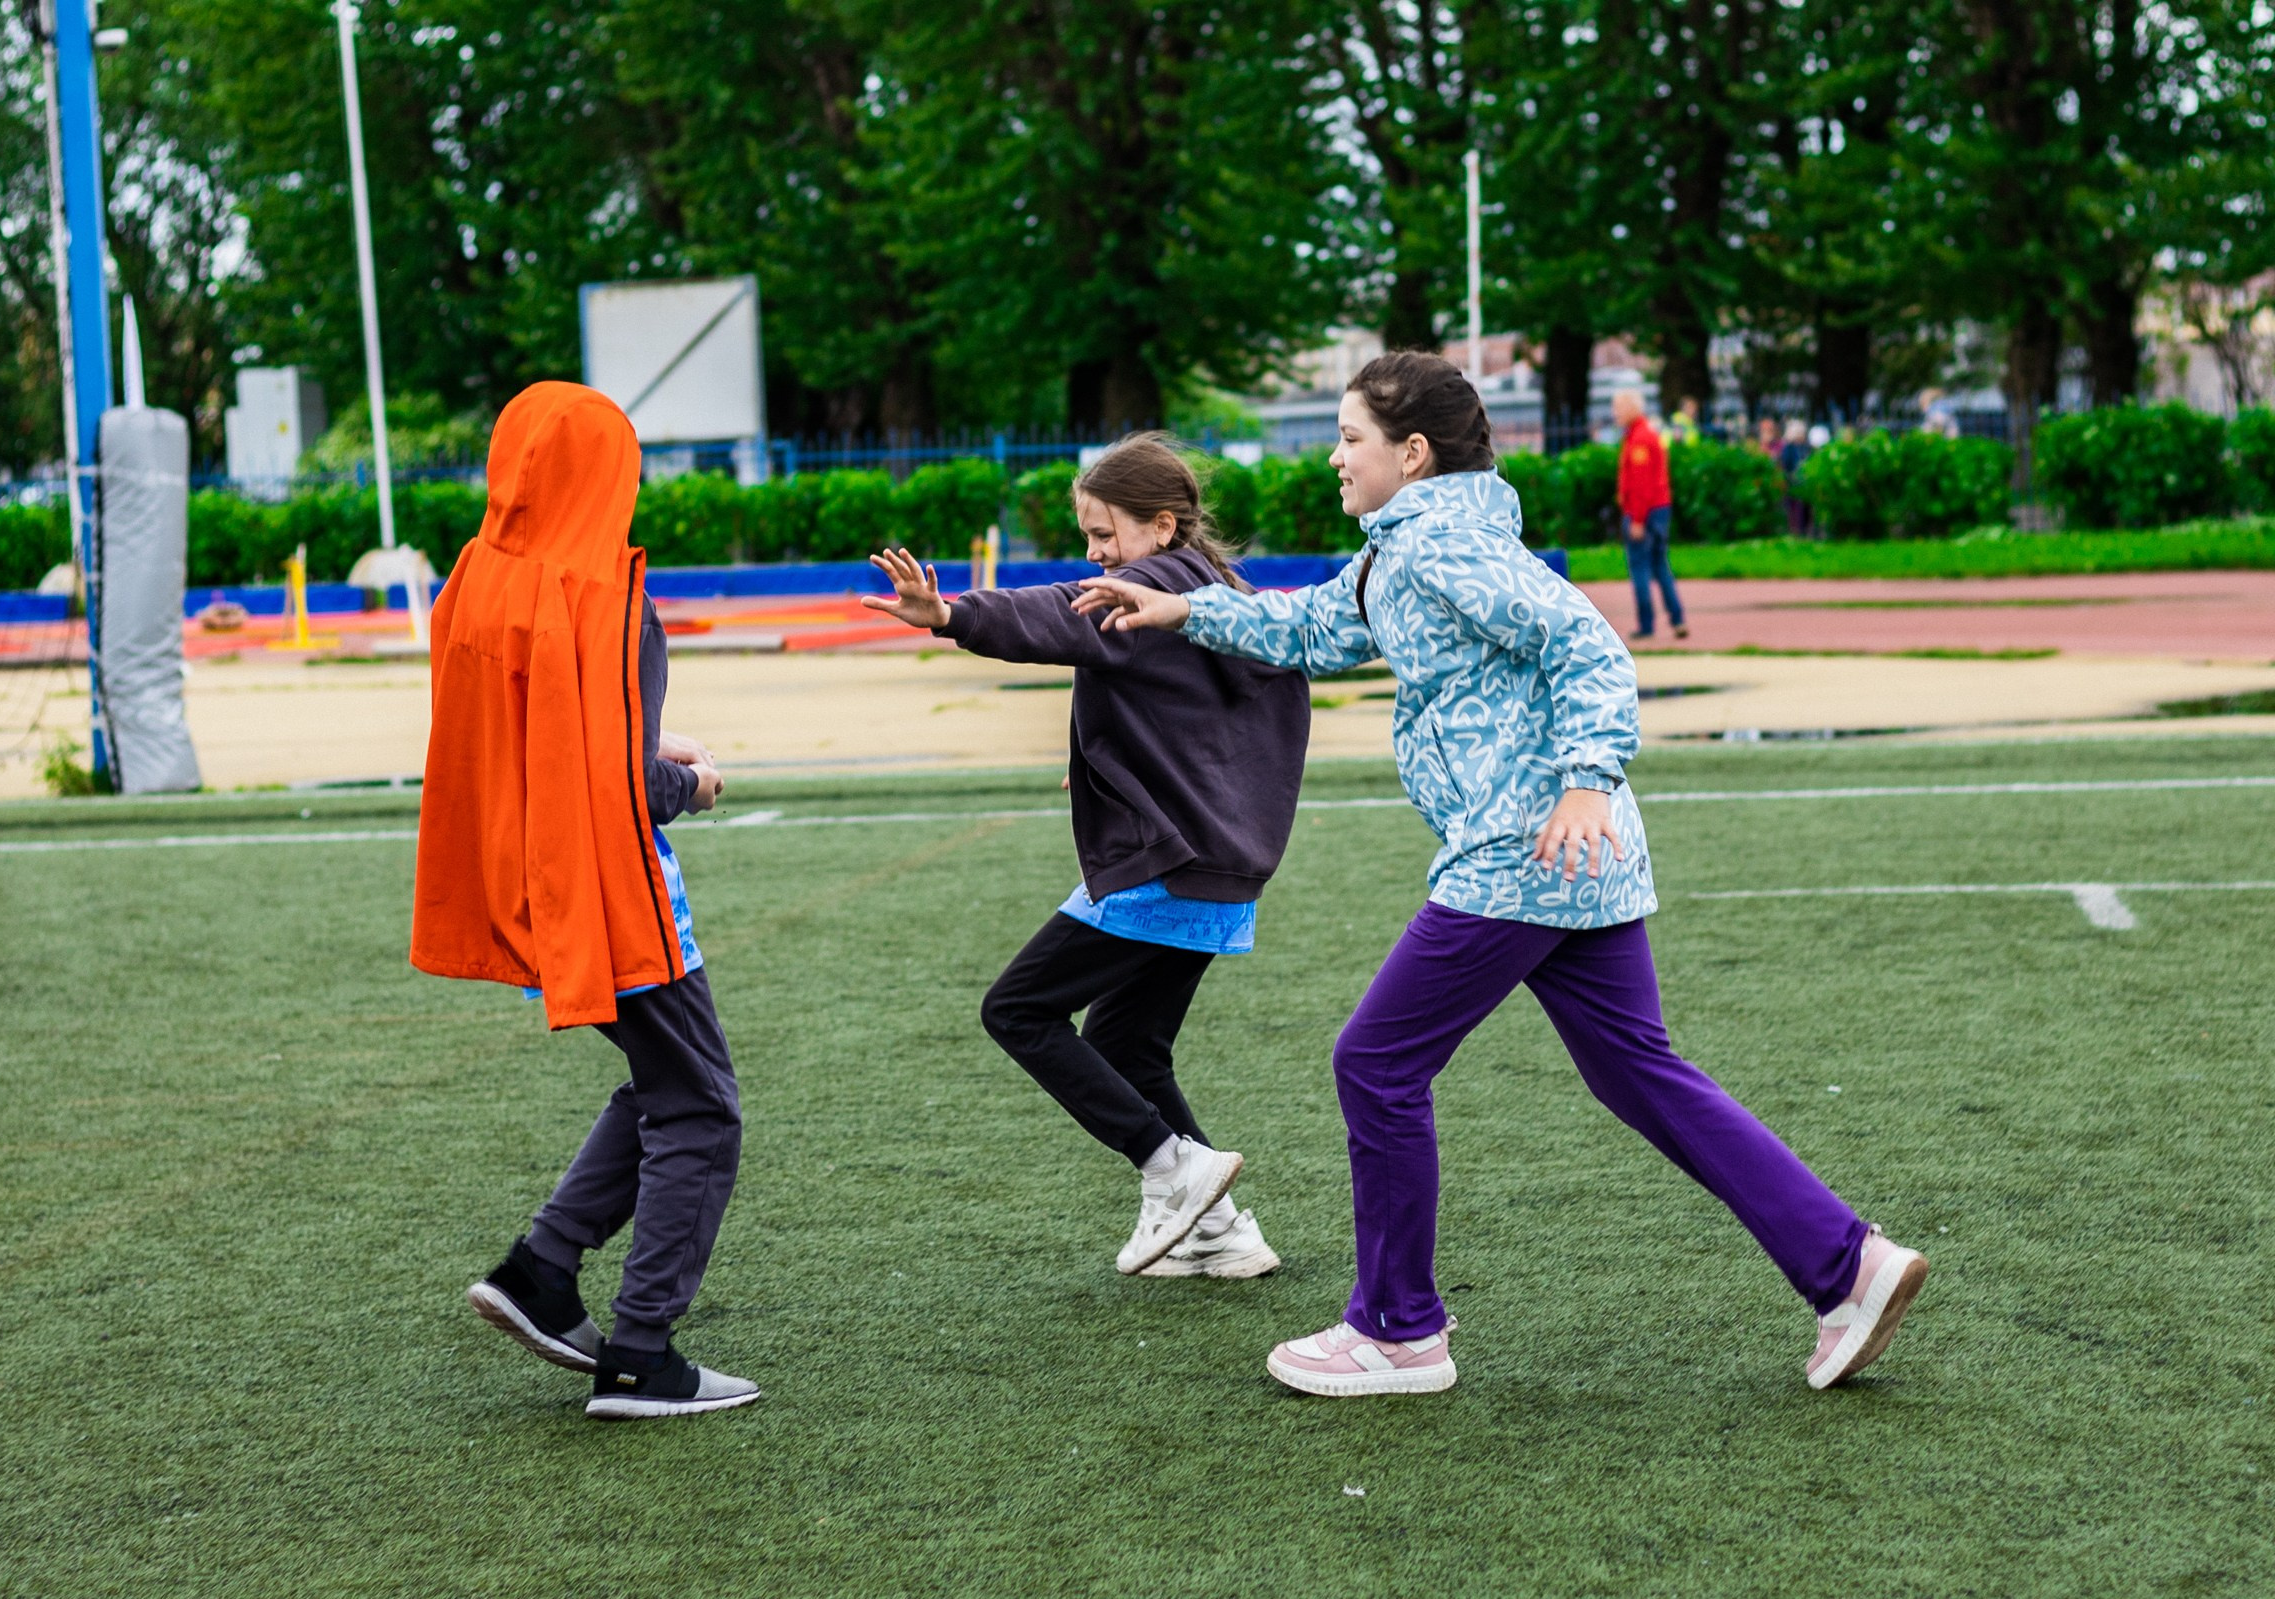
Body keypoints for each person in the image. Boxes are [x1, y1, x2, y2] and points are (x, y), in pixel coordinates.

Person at [1072, 351, 1928, 1399]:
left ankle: (1397, 1331)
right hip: (1576, 860)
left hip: (1522, 853)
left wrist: (1583, 779)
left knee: (1375, 1064)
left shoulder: (1441, 553)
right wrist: (1183, 613)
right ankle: (1851, 1266)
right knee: (1639, 1072)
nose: (1335, 457)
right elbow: (1312, 628)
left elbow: (1592, 648)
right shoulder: (1415, 549)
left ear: (1413, 452)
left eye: (1351, 438)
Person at [861, 433, 1311, 1279]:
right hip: (1219, 866)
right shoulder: (1222, 594)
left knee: (1018, 1009)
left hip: (1166, 865)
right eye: (1090, 537)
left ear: (1163, 526)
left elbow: (1057, 612)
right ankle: (1223, 1233)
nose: (1097, 555)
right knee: (1128, 1043)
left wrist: (953, 614)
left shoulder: (1144, 590)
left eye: (1107, 535)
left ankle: (1172, 1167)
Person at [412, 381, 758, 1420]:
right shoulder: (605, 597)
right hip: (611, 888)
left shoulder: (478, 579)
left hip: (526, 872)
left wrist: (642, 752)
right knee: (702, 1105)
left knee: (662, 1081)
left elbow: (545, 740)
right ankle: (641, 1351)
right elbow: (614, 787)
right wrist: (683, 784)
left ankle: (542, 1271)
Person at [1613, 388, 1686, 641]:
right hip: (1659, 509)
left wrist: (1637, 519)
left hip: (1645, 512)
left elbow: (1641, 485)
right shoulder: (1642, 435)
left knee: (1641, 568)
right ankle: (1677, 618)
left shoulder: (1640, 439)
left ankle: (1646, 624)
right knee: (1660, 566)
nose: (1615, 414)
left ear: (1633, 408)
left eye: (1619, 408)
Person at [1780, 419, 1813, 536]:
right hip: (1793, 482)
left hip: (1806, 482)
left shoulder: (1806, 447)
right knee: (1794, 508)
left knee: (1807, 508)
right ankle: (1796, 531)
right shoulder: (1788, 448)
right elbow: (1786, 465)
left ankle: (1805, 530)